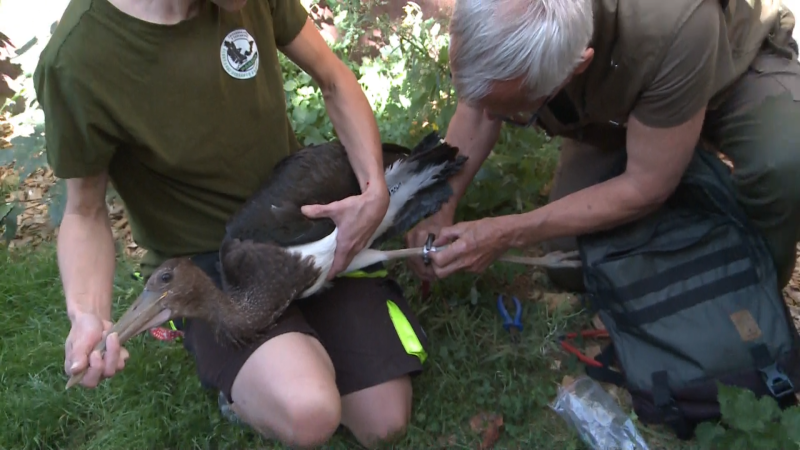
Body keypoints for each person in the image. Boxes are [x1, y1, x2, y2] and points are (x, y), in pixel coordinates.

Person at [34, 0, 429, 448]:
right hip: (206, 270)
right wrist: (87, 313)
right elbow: (84, 211)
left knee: (384, 421)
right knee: (310, 410)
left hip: (296, 221)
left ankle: (291, 352)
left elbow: (333, 78)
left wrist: (375, 189)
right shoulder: (80, 58)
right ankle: (245, 384)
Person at [406, 0, 800, 293]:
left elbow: (646, 185)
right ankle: (674, 156)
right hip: (624, 104)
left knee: (785, 162)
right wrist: (438, 204)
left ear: (577, 66)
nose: (492, 117)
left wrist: (507, 232)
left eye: (513, 114)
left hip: (731, 67)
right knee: (570, 260)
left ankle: (752, 293)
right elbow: (478, 113)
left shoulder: (677, 18)